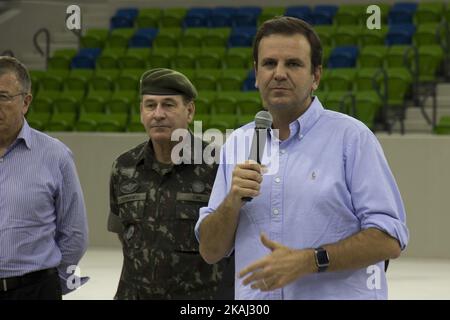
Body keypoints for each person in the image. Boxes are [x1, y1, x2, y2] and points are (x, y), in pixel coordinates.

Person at [195, 17, 409, 300]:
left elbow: (389, 238)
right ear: (256, 74)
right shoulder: (238, 143)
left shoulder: (352, 138)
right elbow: (210, 251)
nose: (279, 74)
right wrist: (232, 201)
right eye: (269, 64)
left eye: (293, 64)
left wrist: (310, 261)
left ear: (316, 77)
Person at [108, 68, 233, 299]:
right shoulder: (124, 167)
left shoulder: (217, 166)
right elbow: (123, 233)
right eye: (150, 105)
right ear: (141, 112)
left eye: (168, 104)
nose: (158, 114)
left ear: (190, 110)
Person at [0, 56, 88, 300]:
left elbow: (74, 233)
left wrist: (50, 285)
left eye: (3, 97)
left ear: (26, 102)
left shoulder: (55, 155)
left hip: (35, 290)